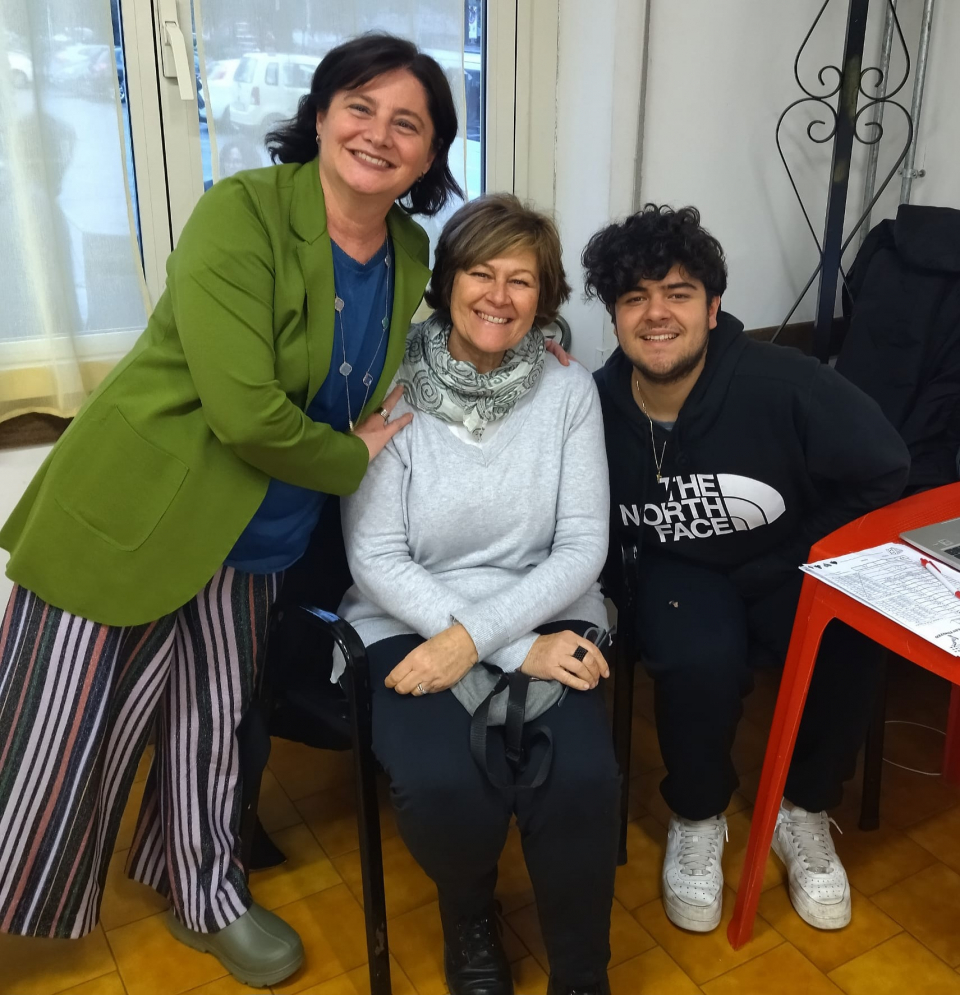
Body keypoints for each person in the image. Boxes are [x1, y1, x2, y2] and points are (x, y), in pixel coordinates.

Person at [0, 33, 460, 987]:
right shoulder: (242, 211)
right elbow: (246, 412)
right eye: (360, 107)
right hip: (139, 512)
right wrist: (350, 456)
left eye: (407, 123)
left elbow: (415, 343)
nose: (379, 134)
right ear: (321, 116)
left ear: (429, 154)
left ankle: (206, 893)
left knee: (213, 721)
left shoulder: (411, 249)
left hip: (263, 532)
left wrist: (535, 344)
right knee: (55, 733)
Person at [585, 205, 910, 934]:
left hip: (790, 554)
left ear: (713, 307)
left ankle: (805, 808)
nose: (657, 313)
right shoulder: (592, 405)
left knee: (852, 632)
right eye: (635, 297)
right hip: (676, 569)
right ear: (614, 316)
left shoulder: (785, 382)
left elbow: (886, 467)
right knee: (696, 652)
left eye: (678, 293)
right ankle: (698, 816)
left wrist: (804, 557)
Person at [338, 194, 620, 995]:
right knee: (442, 780)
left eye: (521, 280)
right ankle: (469, 914)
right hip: (410, 614)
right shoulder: (390, 385)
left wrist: (482, 640)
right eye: (480, 273)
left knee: (582, 776)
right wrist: (505, 646)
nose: (499, 296)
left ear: (544, 294)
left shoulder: (569, 389)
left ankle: (582, 970)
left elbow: (582, 545)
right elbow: (376, 557)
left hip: (547, 606)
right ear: (447, 281)